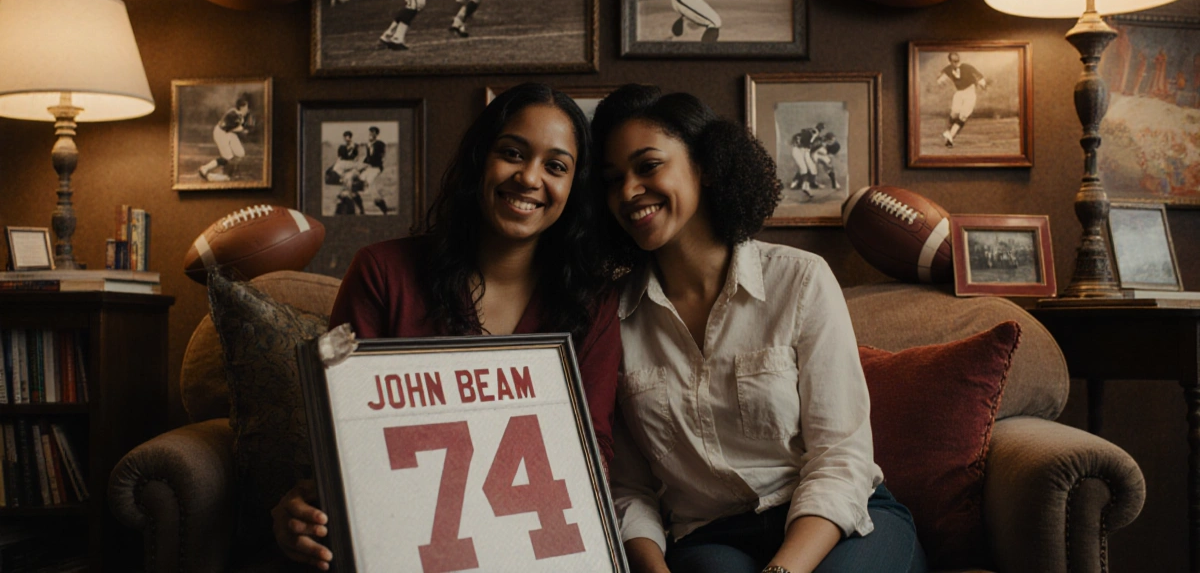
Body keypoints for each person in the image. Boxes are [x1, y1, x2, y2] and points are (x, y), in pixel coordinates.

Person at [271, 83, 624, 571]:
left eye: (556, 166)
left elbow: (595, 451)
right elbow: (342, 441)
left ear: (573, 188)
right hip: (405, 544)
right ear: (481, 159)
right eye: (512, 153)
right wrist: (304, 512)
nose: (529, 177)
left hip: (531, 547)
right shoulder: (382, 272)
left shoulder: (594, 301)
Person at [591, 84, 925, 573]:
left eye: (648, 166)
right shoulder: (612, 317)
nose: (627, 191)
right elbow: (628, 488)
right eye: (611, 178)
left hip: (838, 520)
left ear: (704, 165)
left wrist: (782, 570)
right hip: (710, 535)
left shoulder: (800, 280)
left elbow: (840, 455)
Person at [936, 52, 987, 148]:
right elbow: (940, 75)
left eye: (957, 60)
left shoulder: (967, 67)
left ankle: (949, 138)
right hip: (959, 93)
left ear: (959, 59)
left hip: (970, 92)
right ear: (950, 62)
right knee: (954, 113)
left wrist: (982, 83)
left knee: (963, 116)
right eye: (954, 61)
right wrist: (940, 80)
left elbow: (979, 76)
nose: (956, 63)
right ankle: (949, 134)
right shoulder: (948, 69)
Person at [198, 95, 254, 182]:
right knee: (227, 158)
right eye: (246, 107)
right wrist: (243, 130)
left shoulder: (239, 115)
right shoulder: (233, 114)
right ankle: (205, 169)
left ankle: (226, 172)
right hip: (221, 133)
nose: (247, 109)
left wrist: (244, 129)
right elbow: (227, 127)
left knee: (240, 153)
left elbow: (237, 127)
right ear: (242, 107)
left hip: (228, 133)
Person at [357, 126, 389, 215]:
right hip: (369, 168)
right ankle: (362, 208)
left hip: (376, 168)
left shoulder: (380, 144)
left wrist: (379, 160)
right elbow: (368, 158)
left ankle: (382, 205)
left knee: (370, 183)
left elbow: (382, 156)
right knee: (359, 182)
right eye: (370, 132)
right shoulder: (368, 144)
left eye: (373, 132)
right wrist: (362, 166)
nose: (371, 133)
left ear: (376, 134)